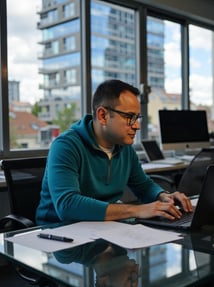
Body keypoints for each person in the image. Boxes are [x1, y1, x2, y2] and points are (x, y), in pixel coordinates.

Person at [36, 79, 193, 225]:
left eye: (138, 118)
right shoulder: (66, 145)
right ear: (103, 115)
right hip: (59, 234)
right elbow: (67, 206)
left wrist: (163, 196)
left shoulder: (124, 148)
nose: (137, 126)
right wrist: (137, 210)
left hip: (104, 229)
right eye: (130, 117)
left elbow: (143, 186)